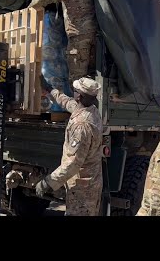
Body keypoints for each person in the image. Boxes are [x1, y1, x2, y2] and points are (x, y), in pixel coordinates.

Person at [35, 76, 103, 216]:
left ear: (79, 96)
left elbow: (73, 163)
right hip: (89, 183)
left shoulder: (81, 126)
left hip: (82, 189)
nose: (74, 93)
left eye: (75, 91)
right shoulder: (91, 110)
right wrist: (50, 89)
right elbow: (67, 102)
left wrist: (48, 182)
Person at [29, 0, 97, 83]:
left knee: (77, 80)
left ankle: (79, 102)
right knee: (91, 78)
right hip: (94, 37)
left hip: (78, 38)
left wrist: (28, 9)